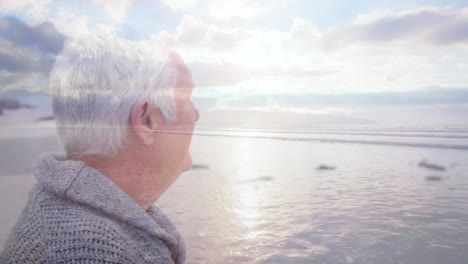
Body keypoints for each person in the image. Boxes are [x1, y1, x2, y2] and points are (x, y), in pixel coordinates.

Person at [0, 31, 199, 263]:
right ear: (147, 121)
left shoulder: (67, 215)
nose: (196, 113)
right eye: (187, 97)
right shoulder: (88, 252)